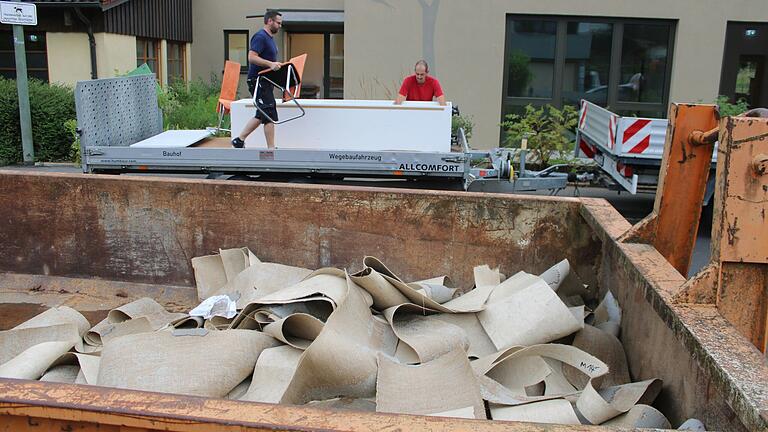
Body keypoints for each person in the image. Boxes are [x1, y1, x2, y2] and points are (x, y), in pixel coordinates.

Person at [231, 10, 283, 149]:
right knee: (269, 113)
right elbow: (252, 57)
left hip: (265, 81)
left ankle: (239, 140)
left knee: (261, 114)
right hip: (258, 81)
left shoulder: (270, 39)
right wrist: (271, 64)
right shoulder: (260, 37)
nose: (280, 26)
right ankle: (271, 149)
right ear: (269, 21)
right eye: (278, 23)